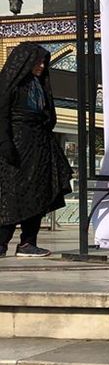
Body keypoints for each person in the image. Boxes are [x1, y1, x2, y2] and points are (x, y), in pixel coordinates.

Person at [0, 43, 73, 257]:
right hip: (17, 147)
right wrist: (5, 144)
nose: (41, 66)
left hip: (39, 148)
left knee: (39, 194)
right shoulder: (9, 84)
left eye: (43, 62)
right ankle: (1, 243)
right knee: (12, 195)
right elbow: (2, 115)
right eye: (37, 62)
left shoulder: (39, 85)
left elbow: (47, 115)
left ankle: (28, 243)